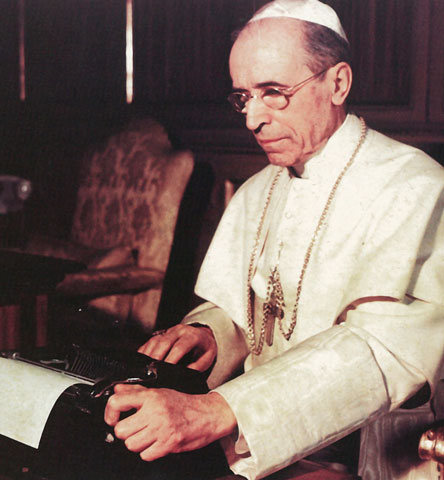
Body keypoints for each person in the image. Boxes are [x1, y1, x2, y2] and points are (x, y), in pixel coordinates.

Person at [104, 1, 444, 478]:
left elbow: (380, 352)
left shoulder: (413, 186)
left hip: (375, 457)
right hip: (261, 445)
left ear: (338, 83)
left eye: (274, 92)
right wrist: (211, 334)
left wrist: (221, 410)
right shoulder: (257, 189)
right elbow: (255, 313)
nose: (252, 119)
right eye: (243, 97)